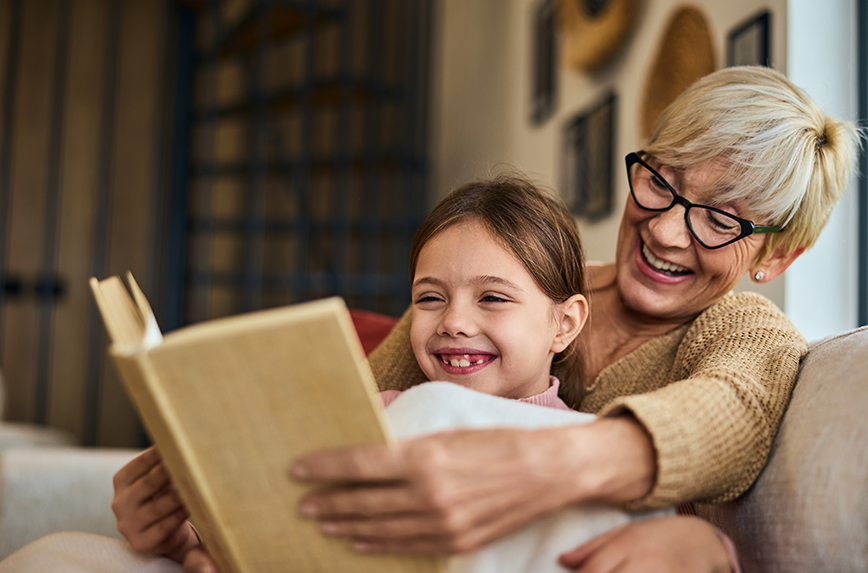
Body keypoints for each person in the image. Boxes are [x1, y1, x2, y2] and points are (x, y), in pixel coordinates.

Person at [284, 66, 860, 572]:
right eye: (661, 182)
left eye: (719, 219)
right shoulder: (499, 281)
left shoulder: (742, 328)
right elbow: (350, 416)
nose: (664, 230)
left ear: (777, 257)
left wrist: (542, 465)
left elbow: (735, 411)